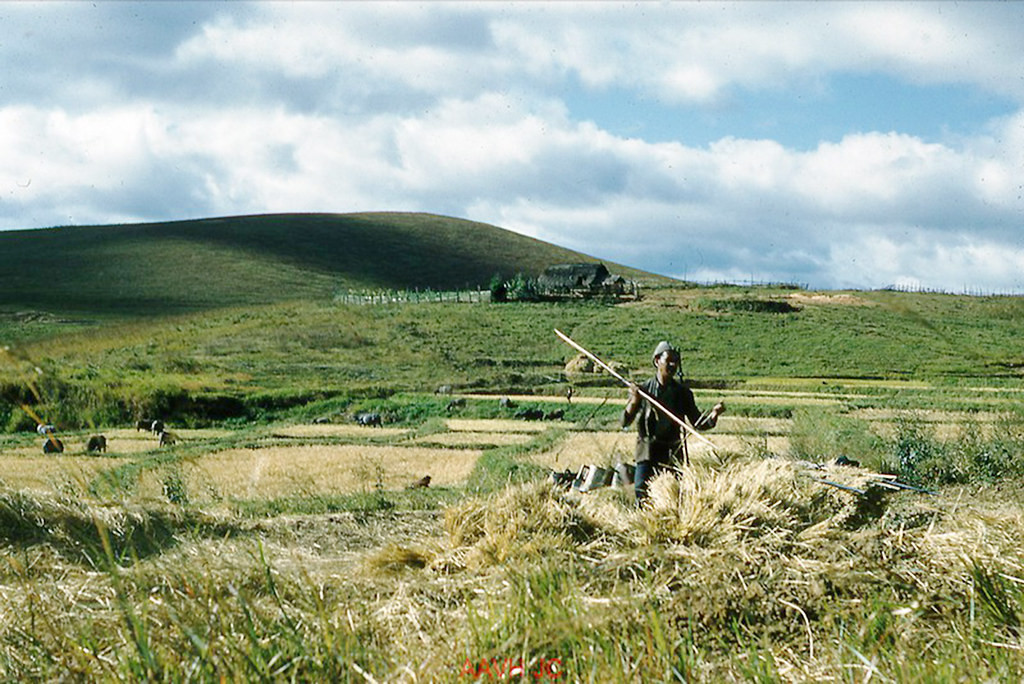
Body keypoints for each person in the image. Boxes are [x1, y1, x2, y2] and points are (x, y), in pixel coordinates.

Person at [622, 341, 725, 504]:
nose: (673, 365)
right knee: (641, 491)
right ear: (657, 361)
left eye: (675, 361)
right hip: (647, 451)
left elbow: (698, 423)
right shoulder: (643, 390)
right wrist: (634, 401)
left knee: (673, 496)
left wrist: (714, 414)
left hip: (672, 452)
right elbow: (625, 421)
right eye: (668, 360)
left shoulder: (683, 393)